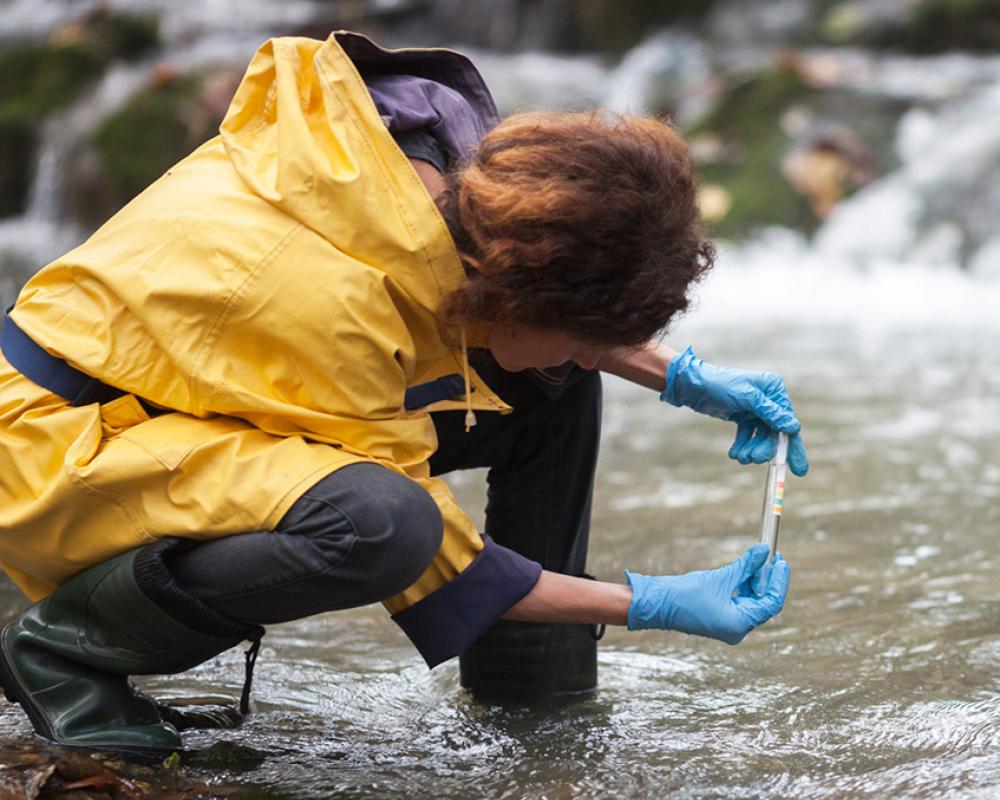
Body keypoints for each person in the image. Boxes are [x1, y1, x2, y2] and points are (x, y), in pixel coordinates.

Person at [0, 31, 808, 757]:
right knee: (380, 524)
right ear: (513, 294)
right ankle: (65, 650)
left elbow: (541, 318)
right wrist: (650, 603)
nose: (584, 346)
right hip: (58, 444)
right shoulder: (333, 307)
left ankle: (531, 692)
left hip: (175, 390)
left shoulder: (445, 174)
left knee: (556, 382)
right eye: (571, 326)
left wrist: (683, 377)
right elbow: (438, 560)